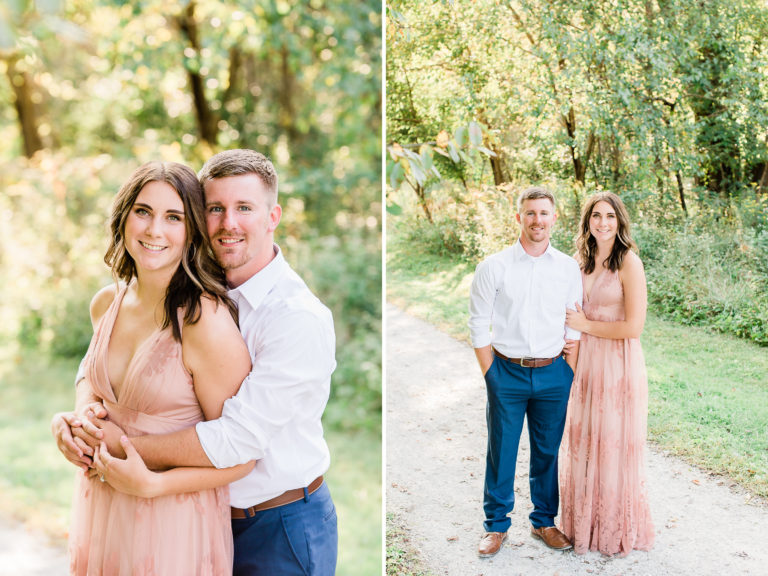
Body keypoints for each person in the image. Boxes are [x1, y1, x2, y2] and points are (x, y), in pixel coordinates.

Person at [53, 149, 338, 575]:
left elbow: (239, 441)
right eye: (214, 208)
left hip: (277, 521)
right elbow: (95, 368)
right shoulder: (182, 288)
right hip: (193, 509)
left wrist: (110, 445)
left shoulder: (295, 318)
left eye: (244, 208)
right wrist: (79, 420)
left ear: (273, 215)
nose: (228, 223)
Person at [61, 161, 254, 574]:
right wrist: (75, 422)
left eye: (174, 217)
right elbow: (92, 383)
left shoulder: (204, 322)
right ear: (124, 215)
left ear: (191, 231)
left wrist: (152, 482)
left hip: (172, 525)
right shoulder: (106, 303)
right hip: (102, 511)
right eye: (143, 211)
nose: (154, 230)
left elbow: (242, 457)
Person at [469, 186, 583, 558]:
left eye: (544, 213)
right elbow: (477, 323)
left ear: (554, 218)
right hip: (507, 372)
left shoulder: (567, 267)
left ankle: (544, 521)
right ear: (518, 217)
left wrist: (569, 370)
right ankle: (496, 526)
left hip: (553, 373)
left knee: (547, 451)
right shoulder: (494, 267)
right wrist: (492, 376)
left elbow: (573, 323)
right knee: (501, 450)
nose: (537, 220)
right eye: (530, 213)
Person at [559, 191, 654, 556]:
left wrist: (586, 325)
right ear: (587, 222)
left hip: (617, 363)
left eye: (610, 216)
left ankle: (614, 530)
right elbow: (566, 314)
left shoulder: (629, 262)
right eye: (596, 215)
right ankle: (584, 525)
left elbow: (633, 328)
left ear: (619, 221)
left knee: (612, 445)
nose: (603, 222)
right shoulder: (578, 263)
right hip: (583, 362)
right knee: (585, 442)